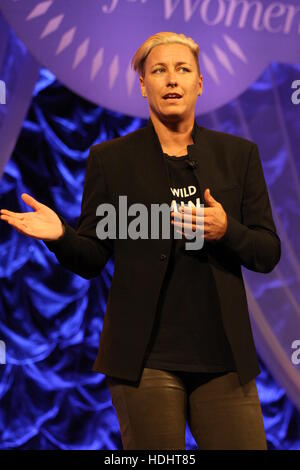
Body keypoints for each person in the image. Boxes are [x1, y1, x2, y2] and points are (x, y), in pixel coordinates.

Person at [0, 32, 281, 450]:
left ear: (199, 83)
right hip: (144, 361)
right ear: (143, 85)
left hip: (224, 360)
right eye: (159, 71)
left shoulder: (238, 156)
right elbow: (93, 256)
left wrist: (228, 231)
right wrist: (60, 235)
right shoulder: (111, 160)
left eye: (183, 70)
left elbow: (267, 252)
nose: (171, 80)